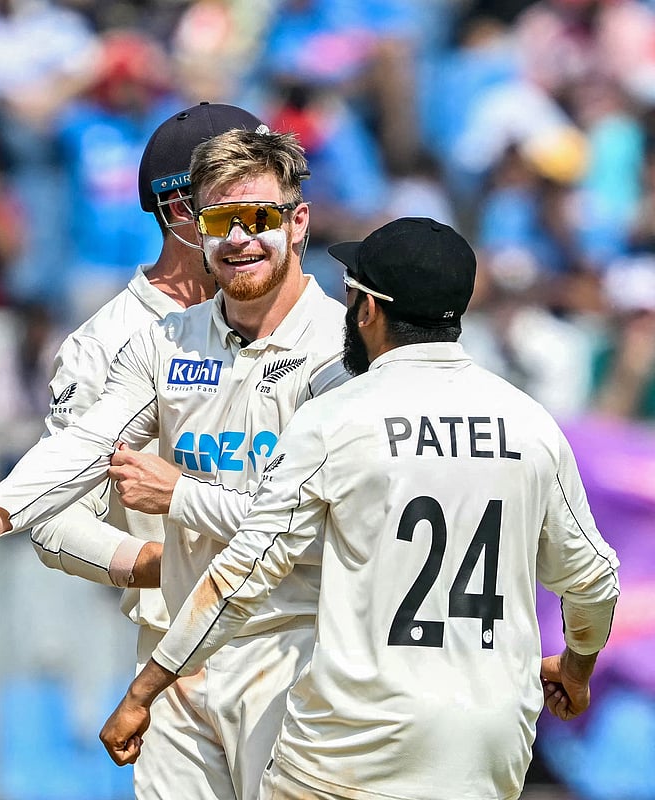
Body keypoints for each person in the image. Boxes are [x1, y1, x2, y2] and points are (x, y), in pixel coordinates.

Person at [100, 217, 622, 800]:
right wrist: (576, 670)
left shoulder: (337, 420)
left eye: (352, 295)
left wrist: (144, 690)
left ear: (368, 310)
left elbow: (242, 575)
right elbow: (594, 580)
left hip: (352, 749)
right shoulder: (530, 424)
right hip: (487, 748)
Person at [0, 125, 347, 799]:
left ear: (298, 219)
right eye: (219, 220)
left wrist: (180, 497)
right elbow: (84, 448)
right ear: (190, 222)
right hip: (175, 663)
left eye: (257, 217)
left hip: (297, 652)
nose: (238, 239)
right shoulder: (159, 343)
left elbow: (309, 527)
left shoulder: (343, 352)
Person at [28, 100, 268, 798]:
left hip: (305, 650)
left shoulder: (314, 322)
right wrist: (161, 564)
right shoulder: (107, 344)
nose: (264, 222)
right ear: (178, 210)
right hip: (180, 666)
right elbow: (50, 518)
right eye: (238, 201)